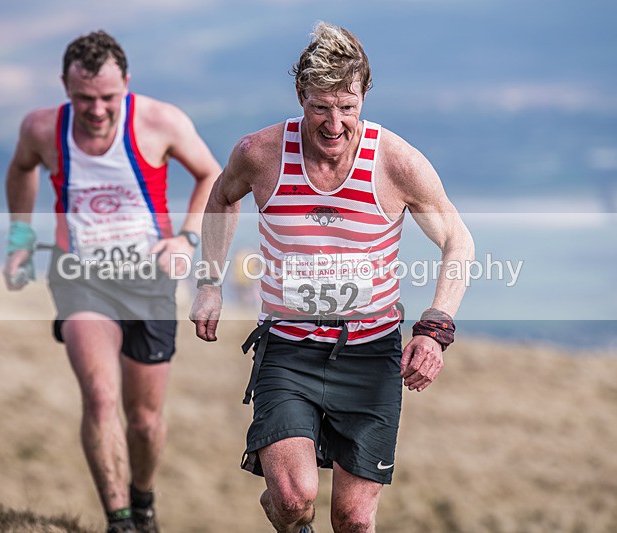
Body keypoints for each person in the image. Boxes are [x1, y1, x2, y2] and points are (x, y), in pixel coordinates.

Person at [190, 22, 474, 533]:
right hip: (288, 349)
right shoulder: (261, 153)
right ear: (301, 95)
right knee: (295, 496)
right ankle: (287, 512)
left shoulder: (396, 163)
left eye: (347, 106)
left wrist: (436, 326)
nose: (335, 123)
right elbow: (220, 198)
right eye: (321, 106)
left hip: (371, 355)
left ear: (365, 94)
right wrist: (209, 282)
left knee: (353, 519)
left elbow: (459, 240)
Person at [3, 30, 220, 533]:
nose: (96, 110)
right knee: (99, 396)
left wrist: (186, 240)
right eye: (83, 98)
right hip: (81, 277)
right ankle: (119, 520)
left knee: (143, 420)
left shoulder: (159, 121)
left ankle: (142, 502)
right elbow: (20, 169)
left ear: (126, 83)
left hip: (149, 280)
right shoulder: (41, 128)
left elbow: (211, 174)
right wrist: (19, 236)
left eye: (107, 98)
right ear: (64, 86)